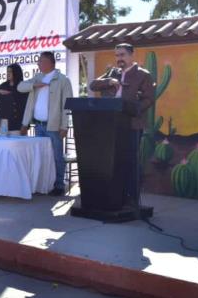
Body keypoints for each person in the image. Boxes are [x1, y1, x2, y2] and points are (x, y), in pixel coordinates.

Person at [89, 43, 154, 205]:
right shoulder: (113, 73)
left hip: (131, 124)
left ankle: (132, 198)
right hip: (111, 126)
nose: (119, 59)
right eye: (117, 55)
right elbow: (93, 85)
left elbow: (149, 99)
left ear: (132, 55)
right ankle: (115, 195)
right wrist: (109, 81)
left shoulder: (143, 75)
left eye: (122, 55)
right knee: (113, 161)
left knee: (131, 161)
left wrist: (131, 110)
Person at [19, 52, 74, 196]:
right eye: (38, 61)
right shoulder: (37, 78)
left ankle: (59, 185)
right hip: (38, 125)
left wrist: (64, 125)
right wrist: (35, 85)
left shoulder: (62, 80)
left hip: (54, 126)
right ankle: (44, 184)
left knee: (56, 156)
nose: (38, 64)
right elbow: (20, 87)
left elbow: (67, 105)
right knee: (42, 156)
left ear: (51, 63)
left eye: (41, 61)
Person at [0, 64, 29, 135]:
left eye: (10, 72)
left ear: (16, 72)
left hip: (18, 122)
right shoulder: (4, 85)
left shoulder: (22, 85)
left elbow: (26, 107)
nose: (8, 74)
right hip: (4, 123)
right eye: (7, 72)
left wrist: (25, 125)